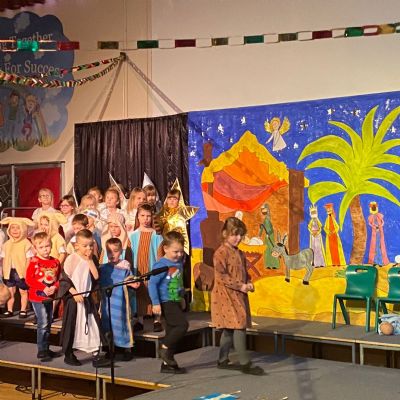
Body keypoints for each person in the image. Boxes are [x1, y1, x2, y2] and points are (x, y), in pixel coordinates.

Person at [211, 217, 264, 375]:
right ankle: (245, 363)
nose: (238, 238)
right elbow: (221, 276)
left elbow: (244, 272)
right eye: (234, 234)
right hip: (226, 295)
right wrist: (240, 286)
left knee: (230, 327)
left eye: (241, 234)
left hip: (238, 294)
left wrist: (248, 282)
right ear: (225, 234)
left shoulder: (240, 253)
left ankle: (222, 360)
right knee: (239, 324)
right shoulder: (220, 253)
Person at [59, 229, 109, 367]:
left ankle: (96, 355)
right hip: (74, 299)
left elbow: (96, 276)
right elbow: (64, 280)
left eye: (91, 245)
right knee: (72, 327)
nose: (89, 248)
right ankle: (69, 354)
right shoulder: (72, 259)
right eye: (85, 245)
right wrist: (74, 293)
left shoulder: (92, 259)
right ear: (76, 246)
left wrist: (89, 260)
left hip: (87, 299)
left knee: (93, 326)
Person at [148, 231, 188, 374]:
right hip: (166, 301)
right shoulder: (161, 264)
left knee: (172, 331)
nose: (179, 254)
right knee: (182, 325)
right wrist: (155, 303)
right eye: (175, 251)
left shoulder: (178, 263)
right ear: (165, 248)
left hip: (175, 300)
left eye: (181, 251)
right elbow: (152, 284)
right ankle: (164, 347)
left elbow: (178, 281)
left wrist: (181, 297)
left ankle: (167, 363)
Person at [99, 238, 139, 361]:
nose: (112, 255)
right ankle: (110, 349)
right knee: (108, 323)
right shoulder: (104, 268)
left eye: (115, 251)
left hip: (120, 302)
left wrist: (132, 283)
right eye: (109, 252)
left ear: (121, 251)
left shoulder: (124, 265)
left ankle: (127, 349)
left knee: (122, 323)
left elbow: (130, 279)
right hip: (108, 302)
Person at [25, 232, 62, 361]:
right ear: (35, 248)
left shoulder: (55, 261)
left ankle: (46, 348)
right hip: (37, 297)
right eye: (41, 247)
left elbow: (58, 278)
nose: (45, 249)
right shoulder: (34, 262)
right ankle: (41, 350)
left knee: (49, 322)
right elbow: (29, 280)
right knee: (43, 322)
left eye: (47, 246)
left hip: (50, 297)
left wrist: (55, 287)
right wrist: (43, 288)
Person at [129, 203, 163, 332]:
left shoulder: (156, 236)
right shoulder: (133, 236)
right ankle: (140, 320)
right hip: (138, 269)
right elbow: (129, 254)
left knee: (154, 294)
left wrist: (159, 270)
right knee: (140, 294)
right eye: (142, 215)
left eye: (148, 216)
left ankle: (157, 320)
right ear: (138, 217)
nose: (145, 219)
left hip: (152, 270)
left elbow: (159, 254)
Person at [0, 217, 35, 318]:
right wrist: (2, 270)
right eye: (12, 228)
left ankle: (23, 309)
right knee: (10, 291)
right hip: (9, 271)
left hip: (21, 272)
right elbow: (3, 258)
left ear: (23, 229)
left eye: (18, 228)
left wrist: (26, 271)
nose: (15, 230)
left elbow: (29, 259)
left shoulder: (26, 243)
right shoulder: (7, 244)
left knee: (23, 291)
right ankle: (9, 310)